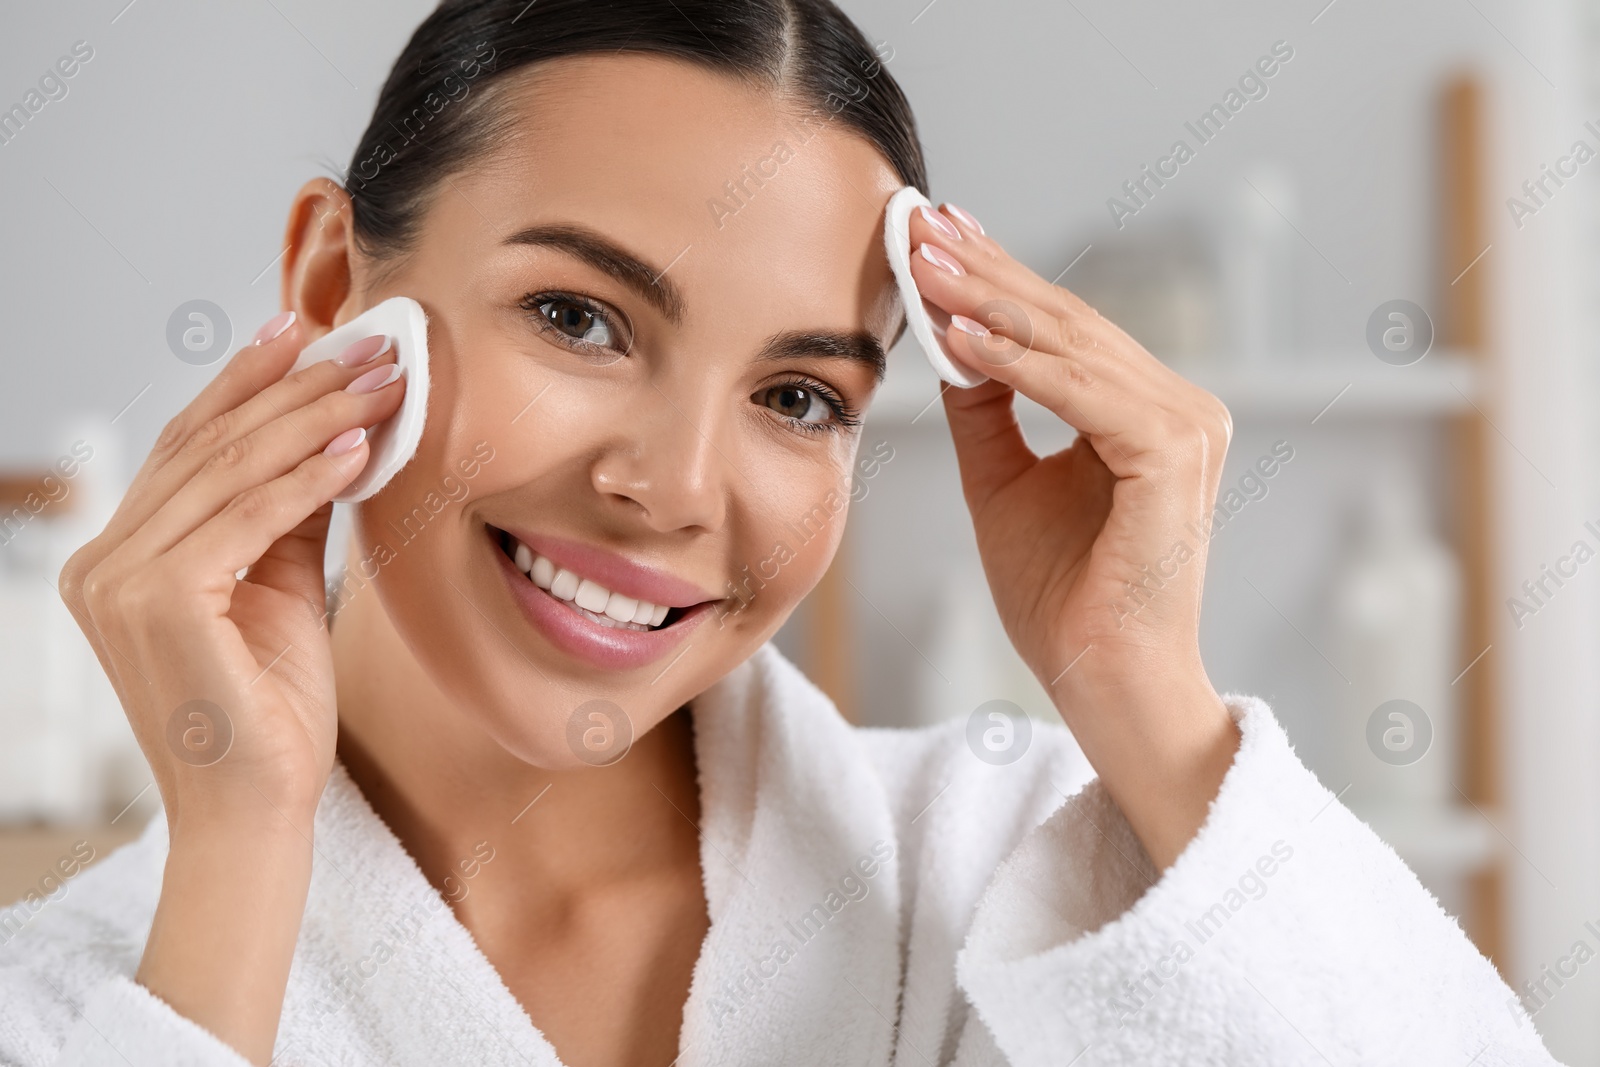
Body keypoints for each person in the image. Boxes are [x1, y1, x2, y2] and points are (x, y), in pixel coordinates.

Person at [0, 0, 1561, 1064]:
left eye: (800, 397)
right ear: (336, 287)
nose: (675, 487)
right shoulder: (81, 992)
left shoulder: (1006, 886)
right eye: (578, 316)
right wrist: (242, 857)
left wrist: (1142, 685)